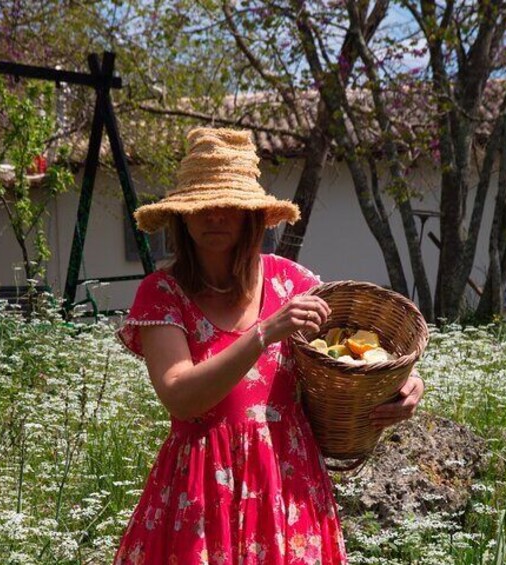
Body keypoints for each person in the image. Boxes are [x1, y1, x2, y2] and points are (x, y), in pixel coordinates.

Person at [113, 127, 425, 564]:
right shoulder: (162, 292)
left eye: (230, 205)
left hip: (287, 484)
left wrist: (406, 384)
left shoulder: (292, 283)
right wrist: (261, 334)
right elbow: (180, 396)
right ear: (182, 216)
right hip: (202, 491)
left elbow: (351, 350)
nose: (215, 215)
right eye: (202, 205)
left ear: (252, 215)